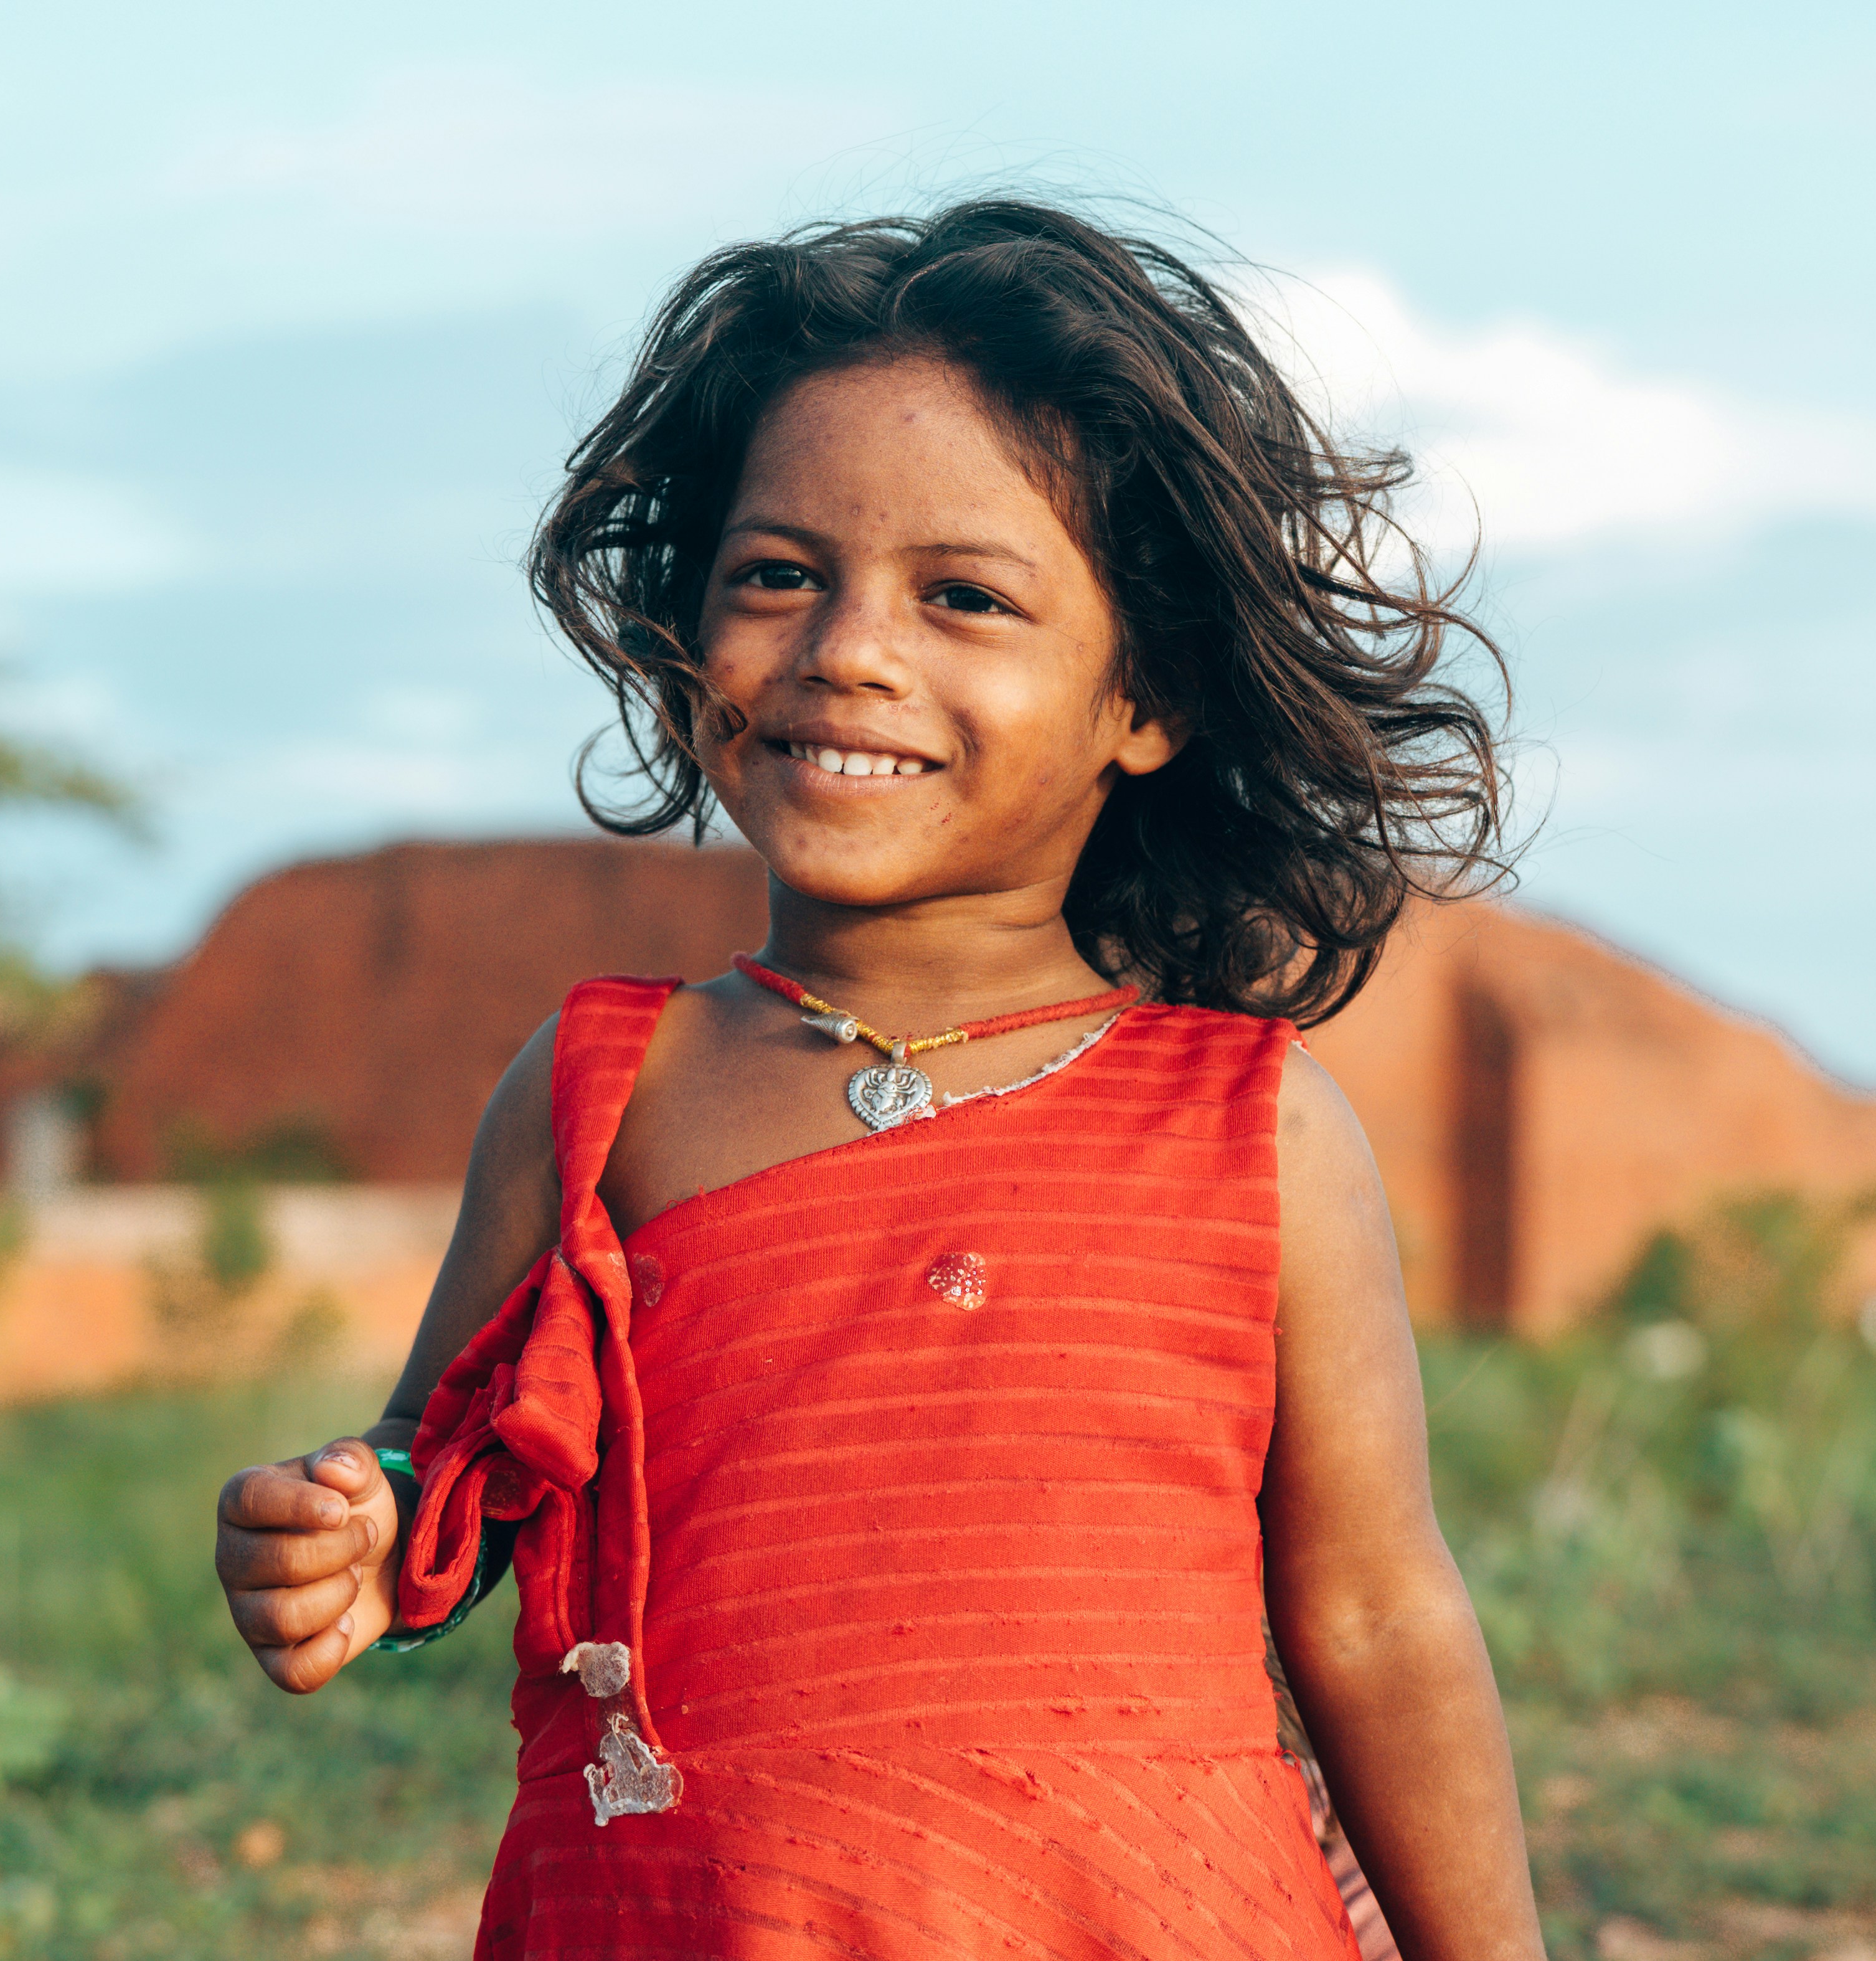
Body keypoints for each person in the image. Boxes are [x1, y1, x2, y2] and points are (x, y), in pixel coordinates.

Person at [213, 199, 1546, 1961]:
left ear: (1141, 701)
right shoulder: (606, 1086)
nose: (846, 646)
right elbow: (442, 1454)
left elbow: (1372, 1612)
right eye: (778, 572)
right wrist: (355, 1533)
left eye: (964, 597)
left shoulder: (1251, 1130)